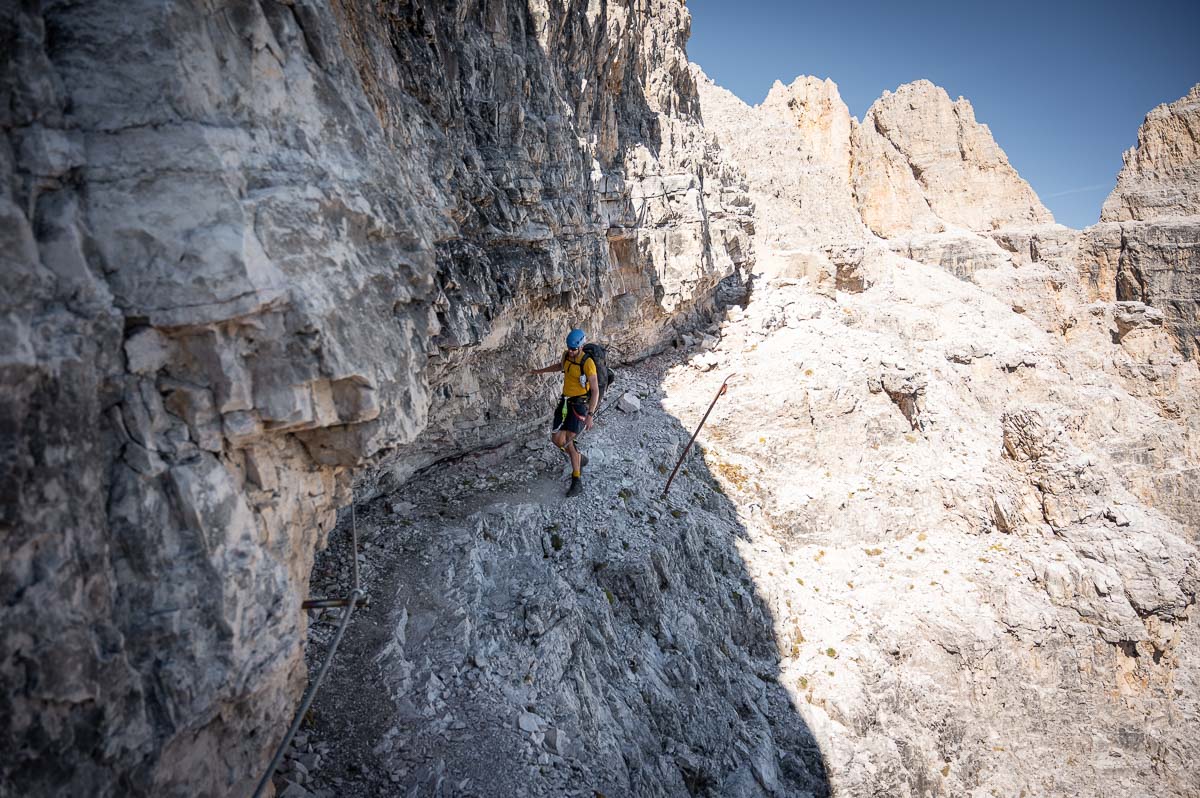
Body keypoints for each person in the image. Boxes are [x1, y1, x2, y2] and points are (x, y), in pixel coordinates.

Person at [529, 328, 599, 497]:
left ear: (581, 347)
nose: (570, 351)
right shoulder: (566, 356)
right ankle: (579, 458)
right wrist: (539, 371)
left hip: (580, 404)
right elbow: (560, 366)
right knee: (556, 439)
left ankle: (577, 480)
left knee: (568, 441)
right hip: (565, 401)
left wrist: (590, 415)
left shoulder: (588, 363)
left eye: (573, 348)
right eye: (568, 347)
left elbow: (595, 390)